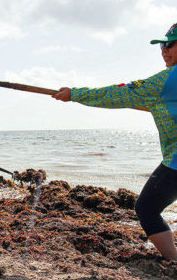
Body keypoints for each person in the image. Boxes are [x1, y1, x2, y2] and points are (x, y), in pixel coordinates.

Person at [52, 23, 177, 261]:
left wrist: (75, 94)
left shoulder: (167, 80)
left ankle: (173, 262)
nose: (164, 50)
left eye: (170, 44)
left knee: (146, 209)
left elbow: (118, 93)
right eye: (162, 45)